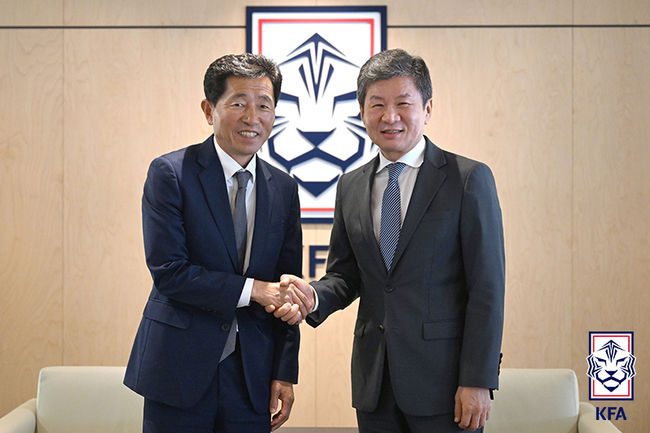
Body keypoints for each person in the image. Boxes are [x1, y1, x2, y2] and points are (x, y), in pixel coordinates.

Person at [271, 49, 505, 433]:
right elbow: (346, 275)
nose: (389, 116)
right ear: (362, 112)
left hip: (445, 384)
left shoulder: (467, 180)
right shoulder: (351, 185)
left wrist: (477, 379)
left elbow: (487, 289)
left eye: (403, 103)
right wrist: (313, 296)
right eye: (376, 104)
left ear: (427, 108)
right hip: (374, 383)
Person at [124, 53, 312, 433]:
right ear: (209, 109)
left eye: (264, 105)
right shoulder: (171, 173)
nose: (252, 117)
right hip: (178, 368)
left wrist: (284, 370)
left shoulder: (284, 187)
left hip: (252, 375)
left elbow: (286, 285)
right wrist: (256, 290)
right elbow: (170, 273)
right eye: (238, 103)